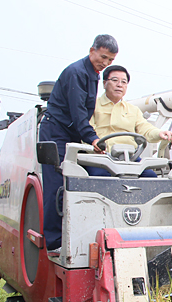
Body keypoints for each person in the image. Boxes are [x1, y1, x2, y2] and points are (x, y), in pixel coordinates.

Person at [40, 34, 118, 253]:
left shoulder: (93, 74)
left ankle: (75, 235)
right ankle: (55, 243)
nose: (105, 63)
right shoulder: (76, 72)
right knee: (57, 186)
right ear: (92, 50)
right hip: (55, 132)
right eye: (103, 57)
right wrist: (93, 138)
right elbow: (78, 114)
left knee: (76, 185)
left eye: (110, 60)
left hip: (71, 133)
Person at [86, 65, 172, 177]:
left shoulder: (133, 110)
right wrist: (95, 143)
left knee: (150, 177)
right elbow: (87, 130)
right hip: (100, 158)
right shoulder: (92, 105)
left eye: (124, 82)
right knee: (101, 177)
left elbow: (145, 129)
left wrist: (160, 133)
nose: (119, 85)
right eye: (115, 80)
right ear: (104, 83)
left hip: (129, 158)